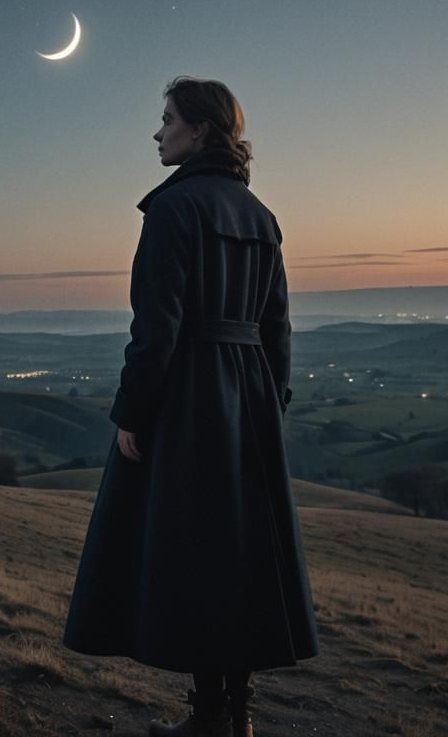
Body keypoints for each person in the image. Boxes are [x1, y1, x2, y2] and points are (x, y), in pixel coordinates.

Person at [63, 78, 319, 737]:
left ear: (201, 130)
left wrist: (133, 411)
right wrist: (271, 403)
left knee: (198, 554)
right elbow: (277, 329)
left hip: (191, 396)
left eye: (168, 119)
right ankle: (236, 715)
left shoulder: (174, 210)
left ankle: (209, 720)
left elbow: (158, 327)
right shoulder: (260, 216)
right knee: (237, 555)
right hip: (251, 395)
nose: (158, 132)